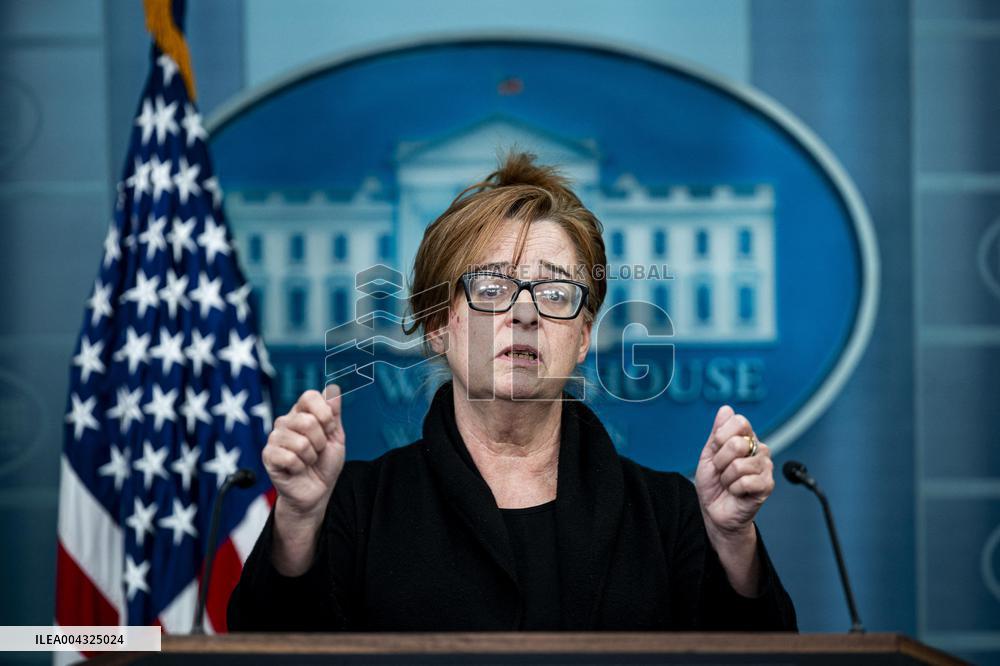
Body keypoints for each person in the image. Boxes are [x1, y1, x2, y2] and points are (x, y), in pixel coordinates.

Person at [227, 151, 798, 631]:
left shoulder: (669, 514)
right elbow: (265, 659)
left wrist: (733, 542)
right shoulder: (355, 506)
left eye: (555, 292)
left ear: (581, 336)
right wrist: (299, 520)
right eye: (492, 286)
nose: (524, 312)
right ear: (437, 325)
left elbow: (761, 665)